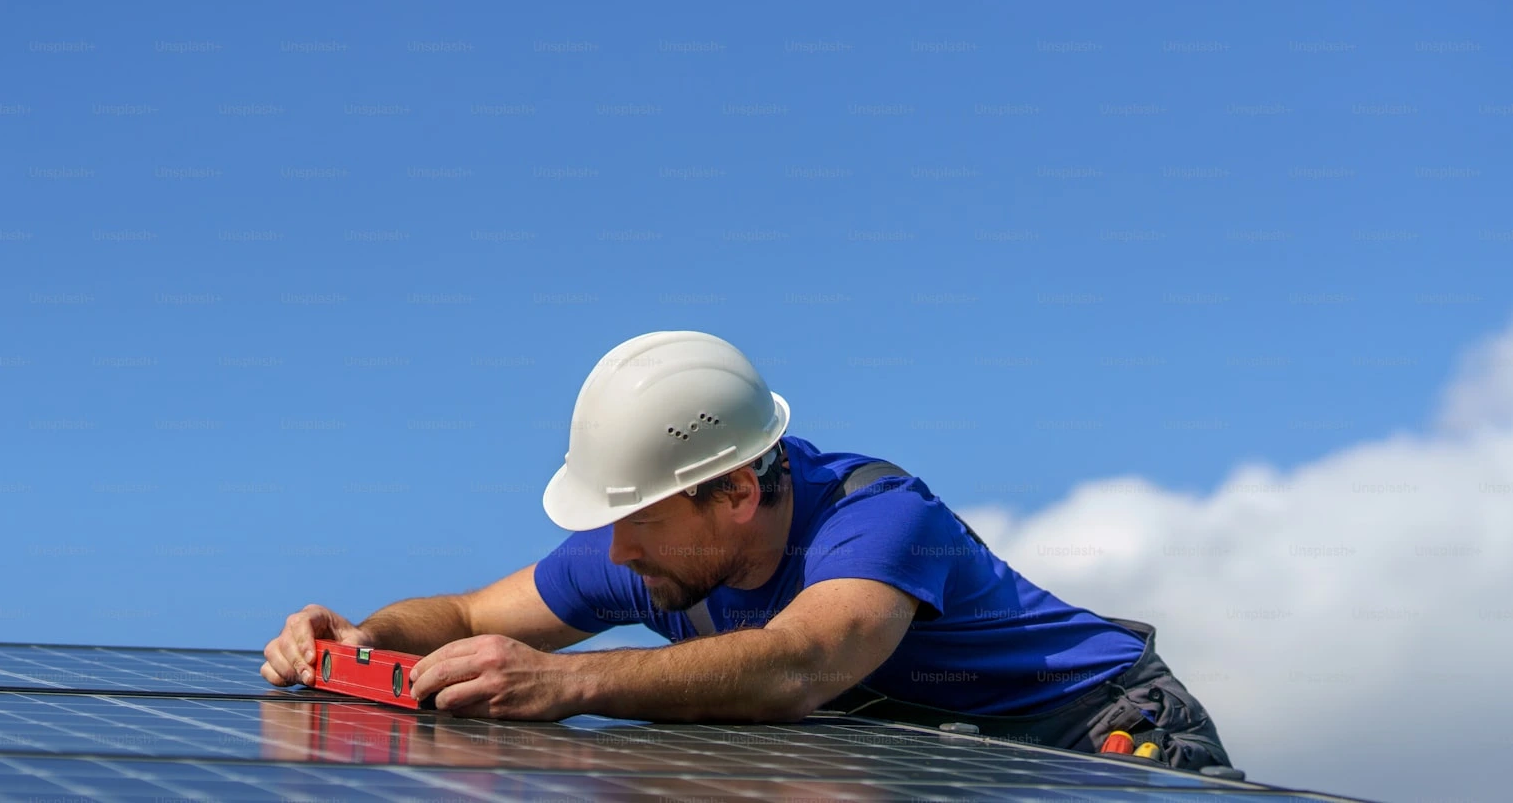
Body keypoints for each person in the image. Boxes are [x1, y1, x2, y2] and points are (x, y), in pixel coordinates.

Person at [261, 330, 1232, 770]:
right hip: (936, 756)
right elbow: (470, 617)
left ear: (732, 491)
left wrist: (571, 684)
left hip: (1089, 731)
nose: (614, 547)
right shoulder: (649, 551)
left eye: (636, 515)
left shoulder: (877, 516)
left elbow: (801, 664)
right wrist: (359, 632)